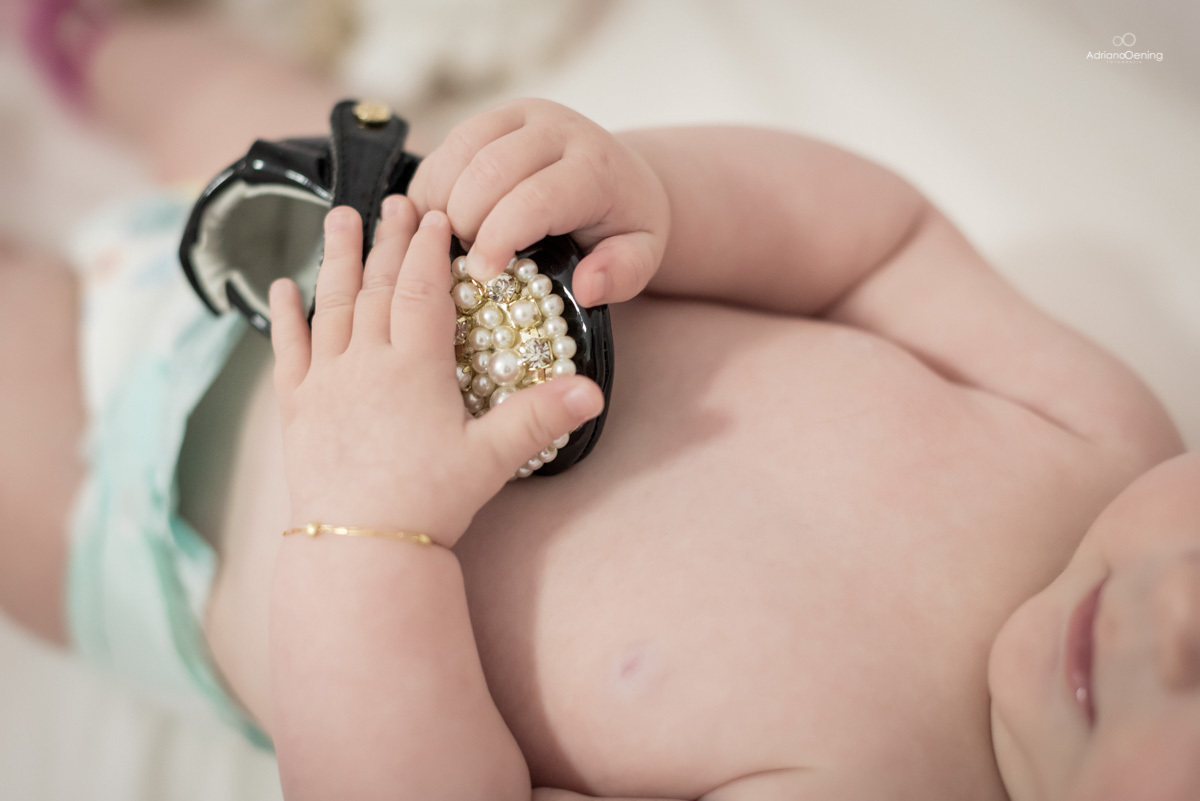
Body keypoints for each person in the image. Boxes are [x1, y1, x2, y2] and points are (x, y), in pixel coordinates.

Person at [3, 12, 1197, 801]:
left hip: (151, 504)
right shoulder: (1104, 444)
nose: (1188, 618)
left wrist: (370, 532)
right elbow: (881, 245)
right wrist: (661, 191)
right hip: (363, 217)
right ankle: (88, 42)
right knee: (215, 89)